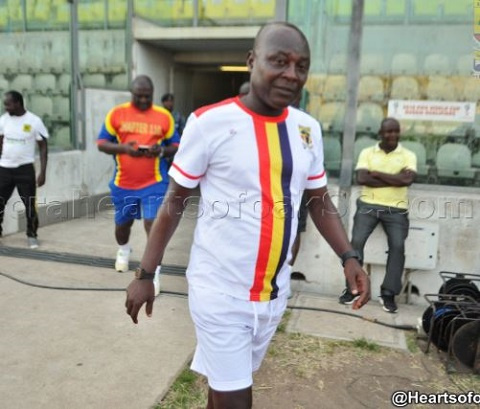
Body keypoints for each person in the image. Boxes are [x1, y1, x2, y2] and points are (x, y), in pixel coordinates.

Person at [125, 22, 370, 409]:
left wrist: (349, 256)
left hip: (274, 293)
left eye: (301, 66)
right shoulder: (210, 123)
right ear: (251, 61)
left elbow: (319, 200)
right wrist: (145, 274)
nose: (291, 74)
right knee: (238, 401)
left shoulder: (307, 129)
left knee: (224, 391)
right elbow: (174, 201)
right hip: (219, 292)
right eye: (279, 61)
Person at [97, 75, 179, 290]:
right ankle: (124, 249)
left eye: (147, 97)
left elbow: (176, 145)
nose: (143, 100)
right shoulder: (117, 114)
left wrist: (161, 150)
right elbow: (102, 143)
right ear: (131, 93)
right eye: (138, 96)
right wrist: (124, 148)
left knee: (154, 225)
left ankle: (153, 275)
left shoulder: (164, 116)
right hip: (123, 183)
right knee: (122, 225)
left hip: (155, 182)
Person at [338, 117, 416, 314]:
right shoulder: (367, 152)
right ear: (380, 134)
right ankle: (353, 289)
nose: (393, 135)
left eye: (396, 131)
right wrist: (394, 179)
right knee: (355, 243)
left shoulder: (408, 155)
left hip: (396, 209)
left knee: (398, 247)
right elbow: (361, 178)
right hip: (368, 206)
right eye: (388, 132)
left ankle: (388, 293)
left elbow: (407, 180)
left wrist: (377, 175)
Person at [0, 90, 48, 249]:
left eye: (8, 104)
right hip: (4, 169)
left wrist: (43, 172)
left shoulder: (34, 121)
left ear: (18, 103)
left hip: (25, 169)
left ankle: (32, 234)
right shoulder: (3, 120)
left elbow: (43, 147)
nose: (5, 107)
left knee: (29, 204)